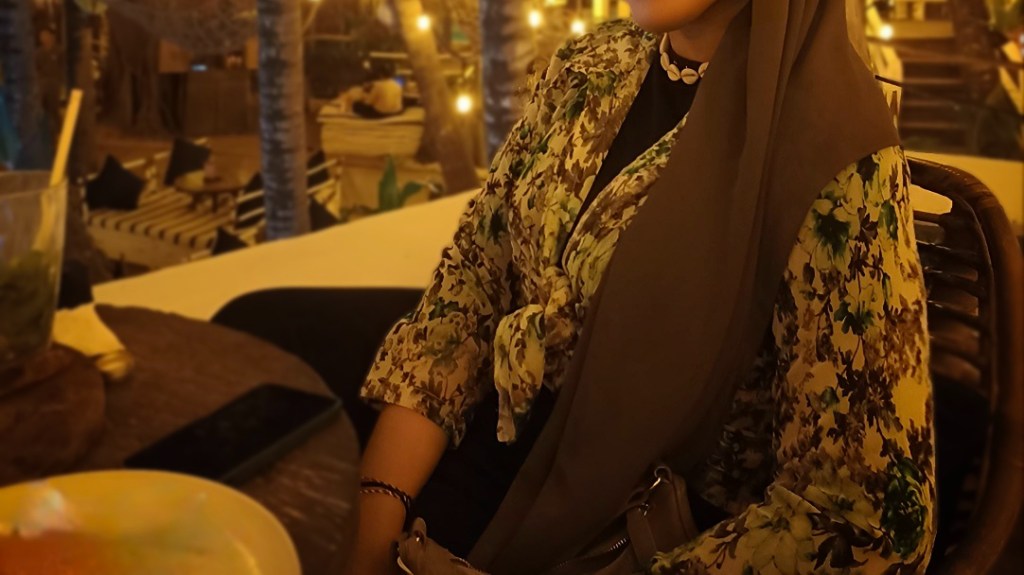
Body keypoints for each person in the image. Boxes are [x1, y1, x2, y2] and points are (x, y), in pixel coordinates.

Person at [216, 1, 936, 573]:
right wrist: (377, 511)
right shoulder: (592, 65)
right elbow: (471, 285)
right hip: (491, 431)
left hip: (621, 528)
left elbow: (870, 519)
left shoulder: (838, 159)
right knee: (256, 338)